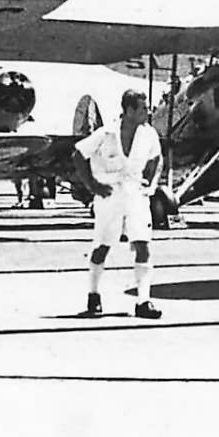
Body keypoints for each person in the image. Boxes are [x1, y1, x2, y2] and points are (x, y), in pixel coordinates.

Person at [72, 89, 163, 320]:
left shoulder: (149, 134)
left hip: (135, 195)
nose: (147, 111)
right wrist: (92, 186)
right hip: (109, 195)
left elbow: (157, 157)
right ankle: (94, 295)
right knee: (103, 246)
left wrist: (149, 185)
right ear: (129, 110)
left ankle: (143, 301)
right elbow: (78, 154)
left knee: (143, 244)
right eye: (143, 108)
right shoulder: (106, 133)